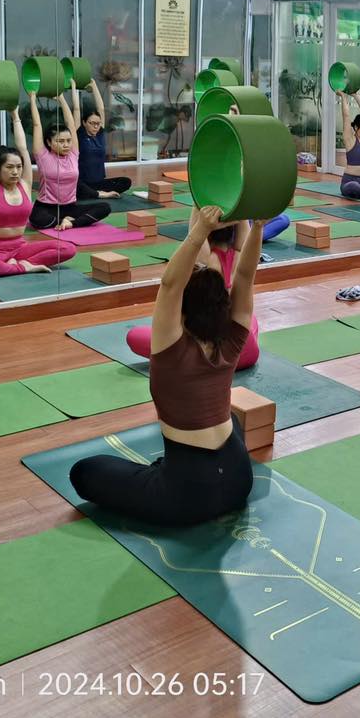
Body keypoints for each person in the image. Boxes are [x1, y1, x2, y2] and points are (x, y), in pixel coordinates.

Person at [69, 205, 259, 525]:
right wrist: (259, 226)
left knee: (85, 472)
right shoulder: (232, 340)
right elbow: (245, 276)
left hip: (188, 493)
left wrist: (199, 230)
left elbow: (170, 285)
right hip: (240, 480)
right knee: (231, 422)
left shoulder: (170, 347)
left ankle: (165, 476)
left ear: (181, 311)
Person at [124, 208, 263, 369]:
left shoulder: (207, 261)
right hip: (242, 352)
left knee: (136, 335)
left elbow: (170, 284)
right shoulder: (238, 256)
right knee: (250, 319)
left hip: (201, 351)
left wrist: (198, 206)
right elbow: (246, 274)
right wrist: (248, 217)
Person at [0, 105, 77, 276]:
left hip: (19, 248)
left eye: (18, 167)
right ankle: (22, 267)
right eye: (9, 167)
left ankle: (17, 265)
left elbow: (23, 148)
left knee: (68, 248)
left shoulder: (24, 184)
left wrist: (15, 115)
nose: (15, 172)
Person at [28, 90, 111, 230]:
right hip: (47, 207)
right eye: (60, 141)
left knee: (105, 207)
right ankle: (68, 221)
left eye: (68, 141)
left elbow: (71, 124)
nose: (66, 145)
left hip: (70, 207)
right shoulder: (42, 156)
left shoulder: (73, 153)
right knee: (36, 219)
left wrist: (61, 98)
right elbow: (37, 125)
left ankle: (71, 222)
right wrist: (32, 99)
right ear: (49, 142)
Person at [73, 77, 132, 200]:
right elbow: (76, 109)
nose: (95, 126)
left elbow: (101, 109)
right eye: (92, 123)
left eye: (98, 123)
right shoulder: (80, 134)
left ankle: (97, 193)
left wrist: (94, 86)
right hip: (83, 183)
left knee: (126, 181)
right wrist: (74, 87)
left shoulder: (100, 134)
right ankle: (96, 193)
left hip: (99, 182)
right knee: (77, 188)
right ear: (84, 123)